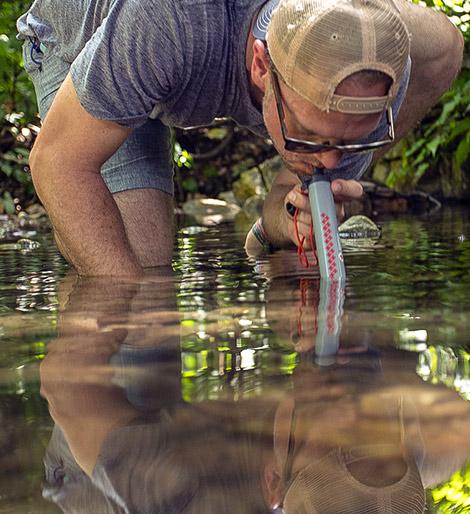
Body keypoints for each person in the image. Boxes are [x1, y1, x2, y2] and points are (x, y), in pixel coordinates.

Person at [17, 0, 463, 276]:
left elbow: (445, 45)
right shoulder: (171, 19)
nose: (329, 162)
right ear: (261, 66)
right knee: (136, 285)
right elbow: (57, 162)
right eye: (308, 137)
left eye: (347, 142)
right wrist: (134, 315)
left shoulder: (376, 52)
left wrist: (290, 212)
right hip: (81, 44)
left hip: (174, 57)